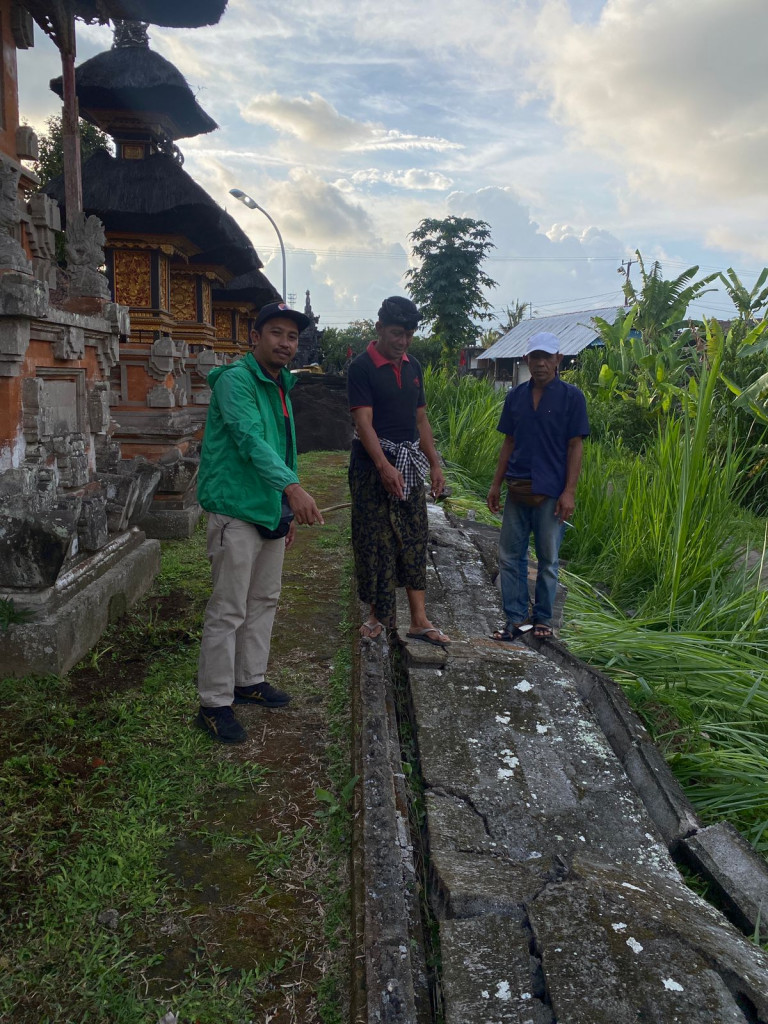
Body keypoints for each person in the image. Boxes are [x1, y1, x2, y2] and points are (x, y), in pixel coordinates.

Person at [196, 301, 325, 743]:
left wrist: (285, 509)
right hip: (236, 508)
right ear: (255, 337)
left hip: (269, 510)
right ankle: (213, 703)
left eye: (292, 337)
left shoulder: (280, 385)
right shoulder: (236, 382)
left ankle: (248, 680)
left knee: (264, 600)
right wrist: (292, 489)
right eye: (276, 333)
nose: (285, 343)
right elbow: (250, 440)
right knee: (228, 609)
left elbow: (283, 451)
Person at [347, 296, 450, 645]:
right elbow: (364, 423)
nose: (402, 342)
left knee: (414, 536)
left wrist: (434, 464)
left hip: (407, 464)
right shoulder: (361, 367)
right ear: (378, 329)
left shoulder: (413, 367)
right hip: (371, 466)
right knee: (376, 541)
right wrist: (383, 467)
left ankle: (419, 619)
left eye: (408, 334)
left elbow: (420, 418)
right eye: (396, 333)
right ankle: (378, 616)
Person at [486, 331, 589, 641]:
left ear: (558, 359)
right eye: (535, 357)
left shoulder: (572, 397)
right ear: (526, 360)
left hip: (551, 492)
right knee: (509, 556)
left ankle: (543, 618)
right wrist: (495, 485)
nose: (540, 363)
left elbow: (575, 446)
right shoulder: (515, 397)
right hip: (517, 487)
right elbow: (509, 442)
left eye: (547, 357)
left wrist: (569, 491)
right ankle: (516, 618)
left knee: (548, 559)